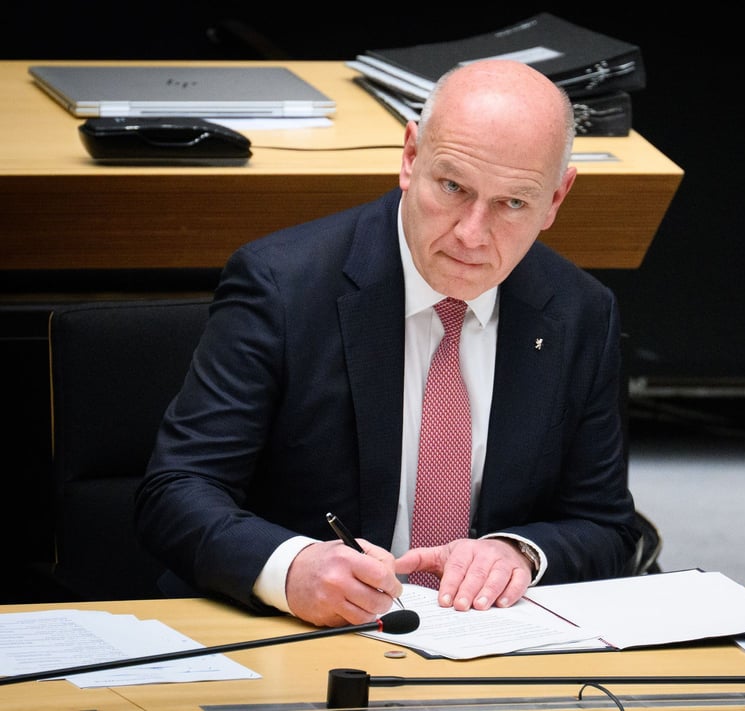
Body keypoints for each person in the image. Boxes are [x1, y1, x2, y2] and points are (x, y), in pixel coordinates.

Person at [135, 58, 641, 628]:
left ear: (556, 199)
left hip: (485, 640)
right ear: (410, 157)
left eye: (513, 203)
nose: (472, 235)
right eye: (453, 186)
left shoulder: (579, 311)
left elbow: (607, 525)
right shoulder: (283, 286)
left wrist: (517, 552)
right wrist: (290, 567)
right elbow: (177, 491)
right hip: (301, 633)